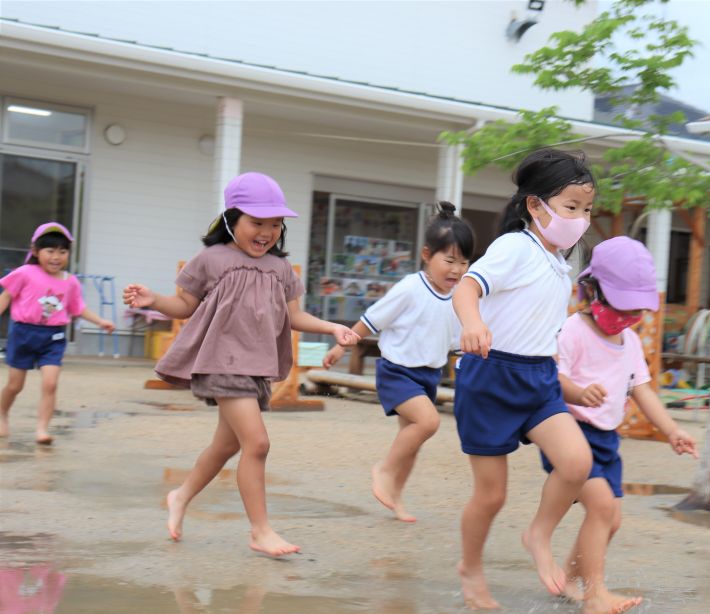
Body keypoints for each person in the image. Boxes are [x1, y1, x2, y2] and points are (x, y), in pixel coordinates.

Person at [122, 172, 360, 557]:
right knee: (258, 443)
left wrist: (333, 326)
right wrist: (154, 300)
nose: (266, 231)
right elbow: (184, 305)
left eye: (274, 223)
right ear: (232, 219)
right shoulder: (211, 260)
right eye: (257, 222)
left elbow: (294, 317)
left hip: (256, 367)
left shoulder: (282, 269)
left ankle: (180, 496)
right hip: (221, 362)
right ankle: (260, 531)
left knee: (225, 446)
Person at [452, 148, 595, 609]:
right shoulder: (515, 246)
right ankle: (470, 568)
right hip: (491, 377)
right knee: (491, 496)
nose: (581, 218)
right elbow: (467, 287)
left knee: (576, 462)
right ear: (536, 206)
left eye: (586, 209)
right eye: (571, 207)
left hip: (538, 378)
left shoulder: (561, 263)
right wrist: (472, 324)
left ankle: (538, 533)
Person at [546, 236, 698, 614]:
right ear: (591, 290)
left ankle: (569, 578)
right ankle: (596, 595)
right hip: (569, 435)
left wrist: (671, 430)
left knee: (611, 518)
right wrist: (579, 393)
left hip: (606, 441)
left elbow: (641, 388)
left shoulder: (628, 340)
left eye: (637, 311)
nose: (629, 318)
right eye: (621, 308)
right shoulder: (573, 331)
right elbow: (551, 378)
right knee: (600, 506)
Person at [323, 202, 474, 522]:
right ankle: (384, 470)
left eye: (463, 262)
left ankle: (395, 497)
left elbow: (458, 340)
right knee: (428, 423)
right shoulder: (410, 288)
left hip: (428, 374)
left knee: (412, 442)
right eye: (449, 260)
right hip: (398, 371)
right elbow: (370, 320)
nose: (456, 270)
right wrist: (342, 347)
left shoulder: (459, 295)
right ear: (426, 255)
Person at [0, 222, 115, 444]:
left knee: (50, 383)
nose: (56, 256)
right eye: (50, 251)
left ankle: (42, 429)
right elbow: (5, 297)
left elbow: (77, 308)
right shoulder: (24, 273)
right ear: (35, 251)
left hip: (54, 337)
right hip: (23, 333)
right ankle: (2, 413)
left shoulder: (70, 282)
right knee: (15, 385)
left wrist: (100, 321)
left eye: (62, 251)